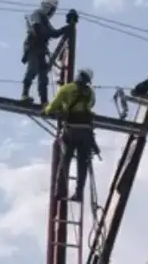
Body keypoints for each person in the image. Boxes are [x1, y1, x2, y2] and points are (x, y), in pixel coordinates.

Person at [41, 68, 101, 201]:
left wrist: (46, 111)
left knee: (65, 160)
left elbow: (53, 106)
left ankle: (61, 192)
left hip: (71, 130)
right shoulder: (89, 92)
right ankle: (79, 193)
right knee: (82, 164)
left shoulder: (66, 89)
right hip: (86, 132)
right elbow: (90, 105)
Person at [21, 0, 67, 105]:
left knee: (43, 76)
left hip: (41, 49)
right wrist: (58, 31)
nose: (52, 12)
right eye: (52, 9)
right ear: (47, 6)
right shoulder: (38, 14)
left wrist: (66, 28)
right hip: (33, 46)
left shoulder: (45, 19)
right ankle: (25, 94)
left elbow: (54, 33)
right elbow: (38, 29)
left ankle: (44, 101)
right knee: (33, 69)